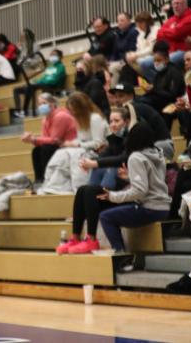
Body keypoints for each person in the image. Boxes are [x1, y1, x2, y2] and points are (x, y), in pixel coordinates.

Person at [58, 107, 132, 255]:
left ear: (127, 122)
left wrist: (96, 164)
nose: (113, 124)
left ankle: (91, 239)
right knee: (82, 190)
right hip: (113, 187)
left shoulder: (131, 139)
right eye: (111, 121)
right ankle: (76, 237)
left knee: (99, 178)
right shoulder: (113, 140)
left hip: (127, 189)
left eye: (117, 121)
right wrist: (90, 162)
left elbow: (122, 159)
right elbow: (104, 156)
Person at [97, 122, 170, 267]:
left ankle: (122, 257)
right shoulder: (158, 154)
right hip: (164, 207)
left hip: (150, 208)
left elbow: (139, 191)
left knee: (106, 216)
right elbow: (153, 182)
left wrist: (112, 196)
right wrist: (131, 177)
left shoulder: (135, 157)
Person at [38, 92, 108, 195]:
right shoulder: (80, 120)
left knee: (75, 154)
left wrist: (77, 145)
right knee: (61, 153)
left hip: (97, 151)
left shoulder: (95, 118)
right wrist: (69, 143)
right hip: (84, 148)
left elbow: (98, 143)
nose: (73, 113)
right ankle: (53, 185)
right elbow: (81, 139)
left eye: (74, 110)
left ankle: (79, 187)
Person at [21, 93, 78, 183]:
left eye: (43, 103)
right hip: (57, 145)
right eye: (39, 104)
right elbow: (45, 139)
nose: (41, 106)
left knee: (46, 149)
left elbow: (54, 140)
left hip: (70, 145)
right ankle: (40, 179)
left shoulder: (61, 116)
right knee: (36, 150)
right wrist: (31, 140)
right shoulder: (45, 119)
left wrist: (34, 139)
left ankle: (49, 178)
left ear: (52, 104)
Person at [110, 83, 174, 161]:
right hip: (147, 148)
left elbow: (137, 142)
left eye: (120, 96)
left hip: (160, 146)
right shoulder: (125, 112)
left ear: (131, 96)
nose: (117, 100)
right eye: (115, 97)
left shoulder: (137, 109)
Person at [13, 49, 66, 118]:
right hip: (44, 84)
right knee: (19, 89)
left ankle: (25, 111)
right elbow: (43, 78)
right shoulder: (49, 68)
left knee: (31, 86)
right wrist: (34, 82)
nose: (52, 56)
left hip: (52, 86)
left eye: (54, 55)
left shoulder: (61, 67)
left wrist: (40, 82)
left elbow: (54, 81)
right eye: (51, 55)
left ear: (60, 56)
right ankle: (21, 111)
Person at [136, 44, 185, 113]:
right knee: (136, 99)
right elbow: (156, 88)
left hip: (169, 101)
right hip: (158, 98)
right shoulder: (160, 72)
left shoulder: (174, 72)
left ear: (167, 59)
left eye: (159, 60)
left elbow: (172, 95)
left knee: (143, 102)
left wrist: (153, 89)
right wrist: (149, 89)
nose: (156, 63)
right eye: (155, 61)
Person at [153, 0, 191, 68]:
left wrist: (166, 32)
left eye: (178, 3)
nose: (175, 6)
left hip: (184, 51)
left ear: (185, 5)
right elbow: (159, 34)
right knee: (145, 63)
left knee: (165, 61)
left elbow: (176, 33)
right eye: (174, 4)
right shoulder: (171, 19)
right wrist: (172, 31)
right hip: (169, 51)